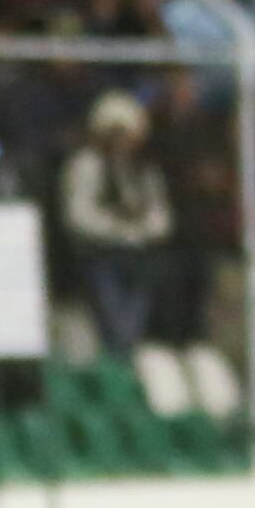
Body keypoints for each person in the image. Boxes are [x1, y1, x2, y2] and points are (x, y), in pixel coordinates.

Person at [59, 90, 177, 359]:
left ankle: (127, 352)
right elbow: (78, 215)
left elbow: (162, 219)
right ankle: (117, 353)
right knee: (113, 311)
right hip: (101, 252)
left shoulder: (144, 171)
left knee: (139, 304)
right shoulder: (87, 165)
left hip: (139, 253)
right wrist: (116, 227)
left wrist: (138, 227)